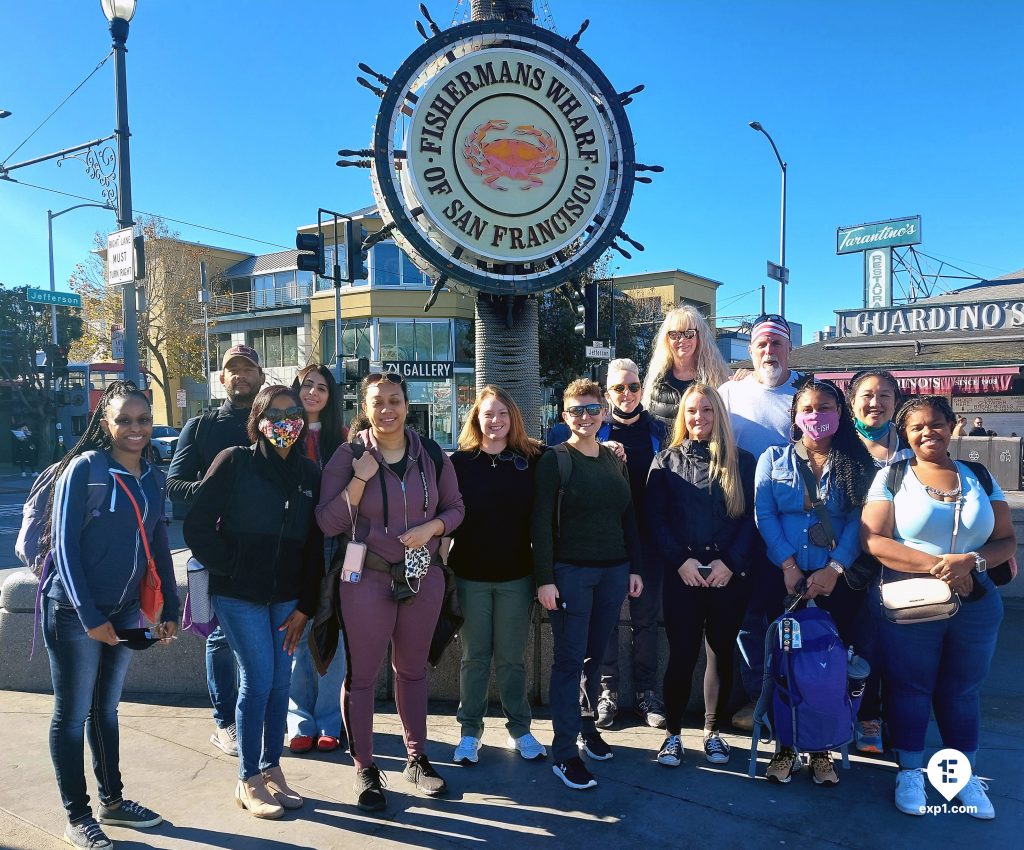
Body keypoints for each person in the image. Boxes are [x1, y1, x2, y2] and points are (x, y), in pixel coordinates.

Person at [861, 395, 1015, 819]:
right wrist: (943, 568)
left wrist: (972, 562)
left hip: (977, 600)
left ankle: (958, 777)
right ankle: (909, 770)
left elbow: (1005, 540)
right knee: (910, 688)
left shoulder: (979, 475)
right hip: (912, 600)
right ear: (905, 433)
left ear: (952, 424)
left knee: (962, 691)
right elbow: (874, 539)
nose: (928, 432)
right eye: (916, 428)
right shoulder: (893, 476)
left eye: (936, 424)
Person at [316, 372, 465, 812]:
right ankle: (365, 767)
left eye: (395, 400)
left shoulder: (432, 454)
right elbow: (327, 522)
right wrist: (358, 480)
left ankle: (416, 758)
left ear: (406, 403)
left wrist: (433, 527)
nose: (387, 410)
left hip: (423, 578)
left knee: (413, 671)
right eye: (377, 401)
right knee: (361, 676)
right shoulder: (349, 455)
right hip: (367, 578)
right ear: (365, 406)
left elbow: (456, 508)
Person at [43, 381, 179, 849]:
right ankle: (77, 816)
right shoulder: (86, 469)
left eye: (143, 420)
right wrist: (87, 615)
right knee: (72, 714)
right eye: (124, 420)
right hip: (73, 611)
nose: (135, 428)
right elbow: (63, 547)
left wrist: (171, 606)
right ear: (106, 424)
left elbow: (159, 542)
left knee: (105, 709)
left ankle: (113, 802)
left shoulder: (151, 476)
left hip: (123, 610)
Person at [183, 385, 323, 819]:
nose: (286, 422)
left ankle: (271, 768)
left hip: (287, 600)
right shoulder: (235, 461)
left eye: (293, 413)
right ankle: (247, 778)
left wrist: (308, 603)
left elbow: (316, 546)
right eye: (276, 413)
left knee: (281, 681)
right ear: (258, 420)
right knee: (258, 679)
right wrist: (231, 566)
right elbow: (198, 525)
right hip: (238, 595)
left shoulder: (309, 474)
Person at [754, 377, 875, 786]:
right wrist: (788, 566)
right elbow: (764, 514)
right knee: (784, 666)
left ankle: (822, 749)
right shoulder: (773, 458)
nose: (816, 416)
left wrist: (835, 569)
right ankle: (786, 745)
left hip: (836, 583)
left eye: (825, 408)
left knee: (828, 669)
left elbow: (862, 520)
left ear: (840, 414)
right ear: (795, 416)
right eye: (807, 408)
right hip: (785, 582)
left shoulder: (858, 464)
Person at [532, 378, 644, 791]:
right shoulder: (555, 459)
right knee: (567, 662)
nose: (585, 417)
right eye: (576, 410)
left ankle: (585, 725)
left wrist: (634, 567)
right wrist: (545, 578)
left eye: (592, 409)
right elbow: (540, 522)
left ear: (604, 413)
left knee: (594, 658)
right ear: (564, 416)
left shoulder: (615, 459)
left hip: (613, 572)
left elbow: (627, 516)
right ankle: (564, 753)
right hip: (571, 574)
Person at [646, 384, 756, 767]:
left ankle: (713, 732)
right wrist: (681, 562)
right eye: (692, 411)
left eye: (707, 410)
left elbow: (751, 520)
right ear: (682, 416)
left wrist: (731, 563)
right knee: (681, 654)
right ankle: (673, 735)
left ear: (718, 415)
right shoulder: (665, 461)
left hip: (729, 575)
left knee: (720, 653)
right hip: (684, 575)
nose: (699, 418)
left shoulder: (743, 462)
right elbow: (656, 520)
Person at [168, 343, 265, 757]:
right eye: (232, 370)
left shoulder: (273, 421)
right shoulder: (201, 426)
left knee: (261, 635)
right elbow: (174, 484)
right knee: (220, 636)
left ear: (260, 376)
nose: (240, 375)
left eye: (247, 368)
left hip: (265, 550)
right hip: (215, 549)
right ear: (221, 379)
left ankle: (252, 716)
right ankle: (225, 721)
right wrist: (215, 489)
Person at [449, 385, 547, 766]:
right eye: (488, 414)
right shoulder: (459, 463)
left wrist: (612, 449)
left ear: (513, 419)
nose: (495, 421)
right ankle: (469, 732)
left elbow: (575, 449)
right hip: (470, 576)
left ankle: (519, 729)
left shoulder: (531, 459)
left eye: (502, 414)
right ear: (476, 417)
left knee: (511, 659)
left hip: (516, 577)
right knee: (474, 658)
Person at [716, 314, 801, 730]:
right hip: (739, 525)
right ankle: (758, 701)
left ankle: (794, 701)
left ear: (790, 350)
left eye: (777, 344)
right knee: (748, 622)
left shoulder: (807, 391)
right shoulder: (730, 392)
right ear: (750, 350)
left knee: (795, 620)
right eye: (762, 344)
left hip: (792, 530)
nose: (770, 352)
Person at [593, 359, 668, 729]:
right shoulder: (594, 430)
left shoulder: (660, 430)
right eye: (619, 388)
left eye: (633, 387)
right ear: (607, 393)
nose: (627, 394)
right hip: (607, 540)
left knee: (647, 620)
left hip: (651, 540)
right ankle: (607, 691)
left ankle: (646, 692)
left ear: (643, 389)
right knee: (605, 619)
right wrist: (598, 450)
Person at [845, 368, 913, 753]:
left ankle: (888, 715)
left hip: (901, 563)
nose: (875, 402)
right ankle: (858, 713)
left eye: (884, 395)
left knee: (895, 647)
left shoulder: (911, 447)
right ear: (852, 402)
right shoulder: (839, 444)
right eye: (867, 395)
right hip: (849, 564)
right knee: (859, 644)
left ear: (895, 402)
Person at [286, 364, 348, 755]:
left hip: (331, 546)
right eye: (306, 385)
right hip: (290, 547)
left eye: (321, 388)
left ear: (331, 397)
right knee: (294, 633)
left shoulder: (341, 441)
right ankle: (298, 719)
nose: (312, 393)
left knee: (331, 632)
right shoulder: (283, 432)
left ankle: (329, 719)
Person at [642, 305, 731, 434]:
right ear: (666, 339)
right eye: (675, 334)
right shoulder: (656, 380)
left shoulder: (718, 378)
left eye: (689, 333)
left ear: (699, 337)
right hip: (663, 454)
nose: (682, 340)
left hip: (705, 453)